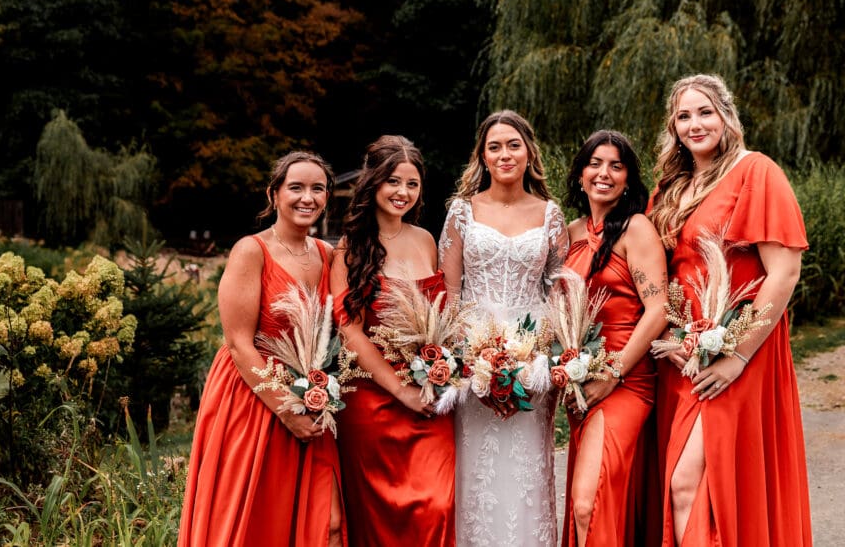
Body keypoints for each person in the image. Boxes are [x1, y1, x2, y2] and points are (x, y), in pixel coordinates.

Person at [648, 74, 812, 546]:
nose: (695, 124)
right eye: (684, 116)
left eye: (705, 112)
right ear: (673, 126)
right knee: (691, 488)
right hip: (683, 358)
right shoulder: (670, 188)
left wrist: (735, 356)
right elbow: (666, 278)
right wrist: (674, 339)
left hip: (743, 352)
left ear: (726, 115)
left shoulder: (756, 172)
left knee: (693, 482)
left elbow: (783, 274)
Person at [179, 151, 344, 547]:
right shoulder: (251, 251)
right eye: (296, 187)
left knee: (329, 522)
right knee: (257, 516)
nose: (308, 198)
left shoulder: (327, 254)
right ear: (274, 194)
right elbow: (238, 342)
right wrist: (288, 410)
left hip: (312, 394)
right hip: (254, 397)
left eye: (317, 189)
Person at [439, 110, 569, 546]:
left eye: (513, 144)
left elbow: (556, 292)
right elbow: (450, 294)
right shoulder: (462, 211)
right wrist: (468, 361)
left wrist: (540, 360)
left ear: (529, 151)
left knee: (527, 467)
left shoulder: (551, 215)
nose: (505, 153)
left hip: (532, 355)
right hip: (473, 352)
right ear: (482, 156)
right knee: (478, 469)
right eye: (494, 146)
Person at [329, 135, 456, 547]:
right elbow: (349, 330)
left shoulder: (425, 239)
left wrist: (440, 373)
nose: (403, 192)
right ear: (373, 183)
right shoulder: (349, 248)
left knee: (438, 504)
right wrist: (400, 389)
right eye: (393, 182)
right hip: (373, 398)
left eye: (413, 184)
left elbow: (441, 316)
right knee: (377, 514)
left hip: (429, 395)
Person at [560, 130, 669, 547]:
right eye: (595, 163)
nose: (604, 173)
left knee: (589, 501)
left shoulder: (636, 229)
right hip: (581, 381)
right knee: (591, 501)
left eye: (616, 166)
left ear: (628, 179)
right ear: (581, 173)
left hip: (626, 379)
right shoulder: (569, 234)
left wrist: (613, 372)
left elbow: (658, 309)